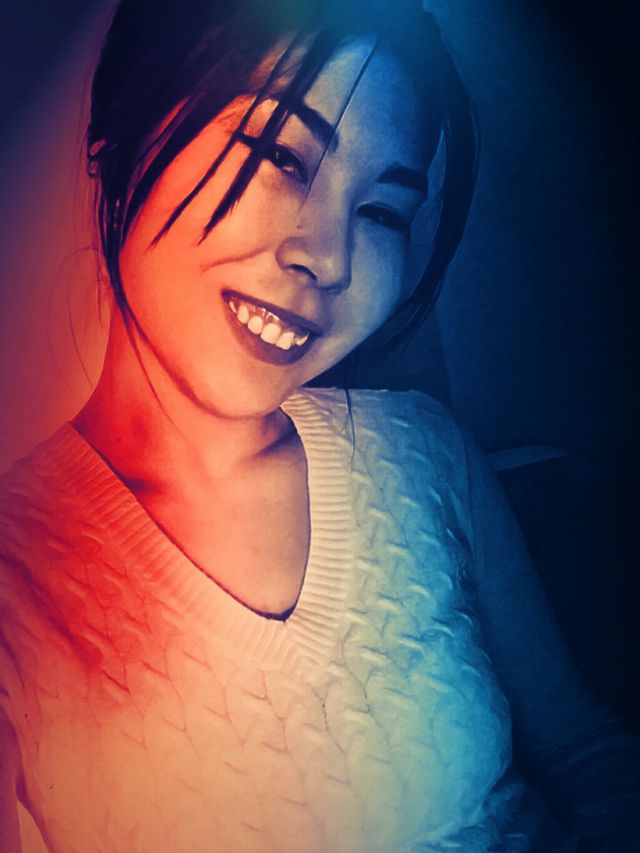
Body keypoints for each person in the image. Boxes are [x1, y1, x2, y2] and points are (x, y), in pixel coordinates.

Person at [0, 0, 638, 851]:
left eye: (383, 213)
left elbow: (589, 755)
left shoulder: (422, 452)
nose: (330, 259)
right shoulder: (19, 578)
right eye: (278, 153)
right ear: (119, 131)